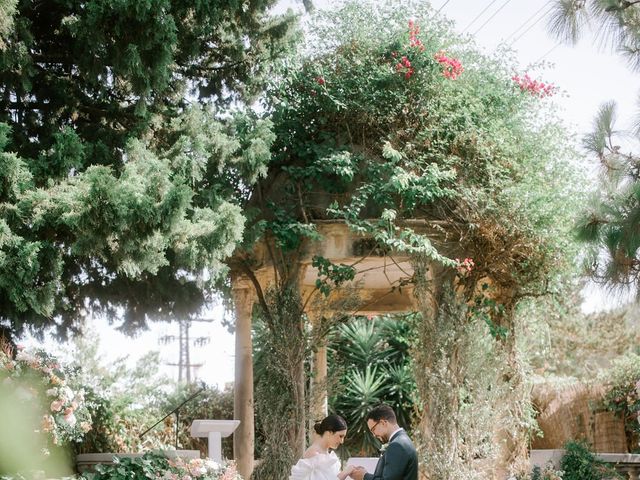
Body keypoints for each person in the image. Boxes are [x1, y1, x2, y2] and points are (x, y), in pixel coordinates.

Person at [350, 404, 418, 480]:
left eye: (373, 429)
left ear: (383, 423)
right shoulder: (403, 440)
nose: (374, 435)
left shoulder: (397, 445)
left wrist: (364, 476)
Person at [289, 414, 355, 480]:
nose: (342, 441)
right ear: (329, 433)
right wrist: (346, 472)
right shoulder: (314, 454)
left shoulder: (326, 453)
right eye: (340, 436)